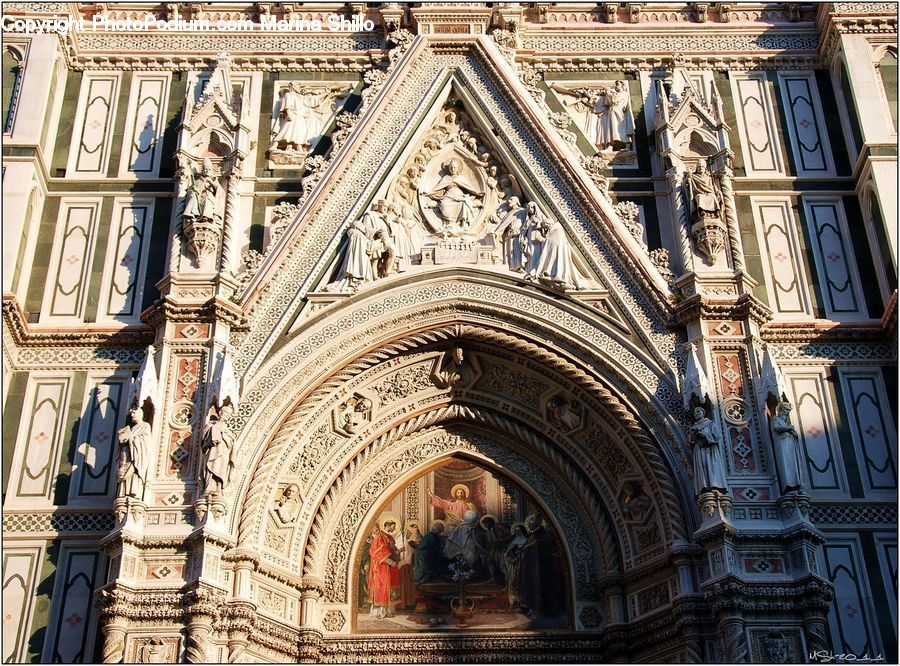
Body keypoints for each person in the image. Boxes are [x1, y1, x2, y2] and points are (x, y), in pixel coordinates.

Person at [516, 514, 565, 619]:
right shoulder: (533, 537)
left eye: (532, 522)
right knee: (530, 586)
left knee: (539, 586)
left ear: (538, 524)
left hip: (540, 570)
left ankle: (539, 610)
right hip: (530, 570)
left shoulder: (540, 537)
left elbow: (541, 554)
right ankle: (532, 608)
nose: (529, 524)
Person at [424, 159, 483, 229]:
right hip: (449, 195)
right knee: (444, 204)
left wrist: (477, 193)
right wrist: (429, 192)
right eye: (451, 168)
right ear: (448, 169)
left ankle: (463, 223)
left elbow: (469, 188)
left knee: (465, 203)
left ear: (457, 169)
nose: (452, 169)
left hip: (459, 195)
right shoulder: (446, 178)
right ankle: (449, 223)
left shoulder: (460, 178)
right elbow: (437, 188)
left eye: (454, 167)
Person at [689, 406, 728, 494]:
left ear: (703, 413)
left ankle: (715, 484)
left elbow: (716, 435)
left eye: (698, 411)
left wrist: (705, 436)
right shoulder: (693, 427)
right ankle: (704, 486)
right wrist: (693, 437)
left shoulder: (709, 423)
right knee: (702, 466)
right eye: (695, 412)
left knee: (711, 465)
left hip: (709, 449)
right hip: (698, 450)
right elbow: (690, 442)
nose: (696, 413)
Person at [116, 404, 152, 502]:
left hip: (136, 457)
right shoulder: (132, 428)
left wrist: (131, 438)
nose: (132, 415)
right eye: (131, 413)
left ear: (140, 414)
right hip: (127, 456)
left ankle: (135, 493)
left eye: (134, 413)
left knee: (135, 474)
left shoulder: (145, 425)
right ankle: (125, 494)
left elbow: (144, 442)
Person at [202, 401, 236, 497]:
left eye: (229, 415)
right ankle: (209, 488)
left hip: (224, 452)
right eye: (226, 413)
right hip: (214, 451)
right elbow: (205, 437)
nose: (227, 416)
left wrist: (227, 437)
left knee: (221, 470)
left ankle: (218, 488)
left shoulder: (228, 430)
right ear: (220, 413)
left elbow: (231, 443)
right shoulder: (211, 425)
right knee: (212, 467)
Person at [771, 400, 804, 493]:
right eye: (785, 410)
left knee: (792, 465)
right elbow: (776, 428)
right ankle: (787, 486)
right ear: (780, 410)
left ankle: (796, 485)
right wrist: (788, 428)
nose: (786, 413)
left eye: (788, 411)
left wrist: (793, 433)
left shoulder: (785, 422)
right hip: (781, 445)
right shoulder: (775, 419)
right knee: (785, 465)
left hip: (789, 445)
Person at [367, 523, 400, 618]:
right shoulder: (380, 537)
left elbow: (392, 549)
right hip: (380, 567)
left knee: (388, 587)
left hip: (387, 568)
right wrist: (390, 562)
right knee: (381, 587)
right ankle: (380, 613)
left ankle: (387, 611)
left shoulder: (386, 537)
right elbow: (378, 553)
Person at [492, 196, 527, 271]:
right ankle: (512, 267)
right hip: (509, 235)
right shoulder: (510, 213)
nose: (509, 201)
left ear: (516, 201)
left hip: (517, 234)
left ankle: (519, 266)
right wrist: (497, 232)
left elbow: (526, 223)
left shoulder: (522, 211)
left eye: (511, 199)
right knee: (509, 253)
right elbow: (503, 225)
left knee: (516, 251)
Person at [597, 80, 634, 150]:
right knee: (610, 129)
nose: (616, 86)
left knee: (619, 129)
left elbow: (614, 99)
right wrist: (606, 94)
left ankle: (627, 145)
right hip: (612, 111)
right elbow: (607, 102)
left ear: (622, 86)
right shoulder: (616, 94)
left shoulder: (623, 93)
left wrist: (608, 92)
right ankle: (610, 146)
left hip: (617, 112)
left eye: (617, 85)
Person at [413, 521, 447, 586]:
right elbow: (435, 550)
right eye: (440, 531)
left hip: (424, 555)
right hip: (424, 557)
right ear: (438, 530)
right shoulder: (432, 536)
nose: (441, 533)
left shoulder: (430, 535)